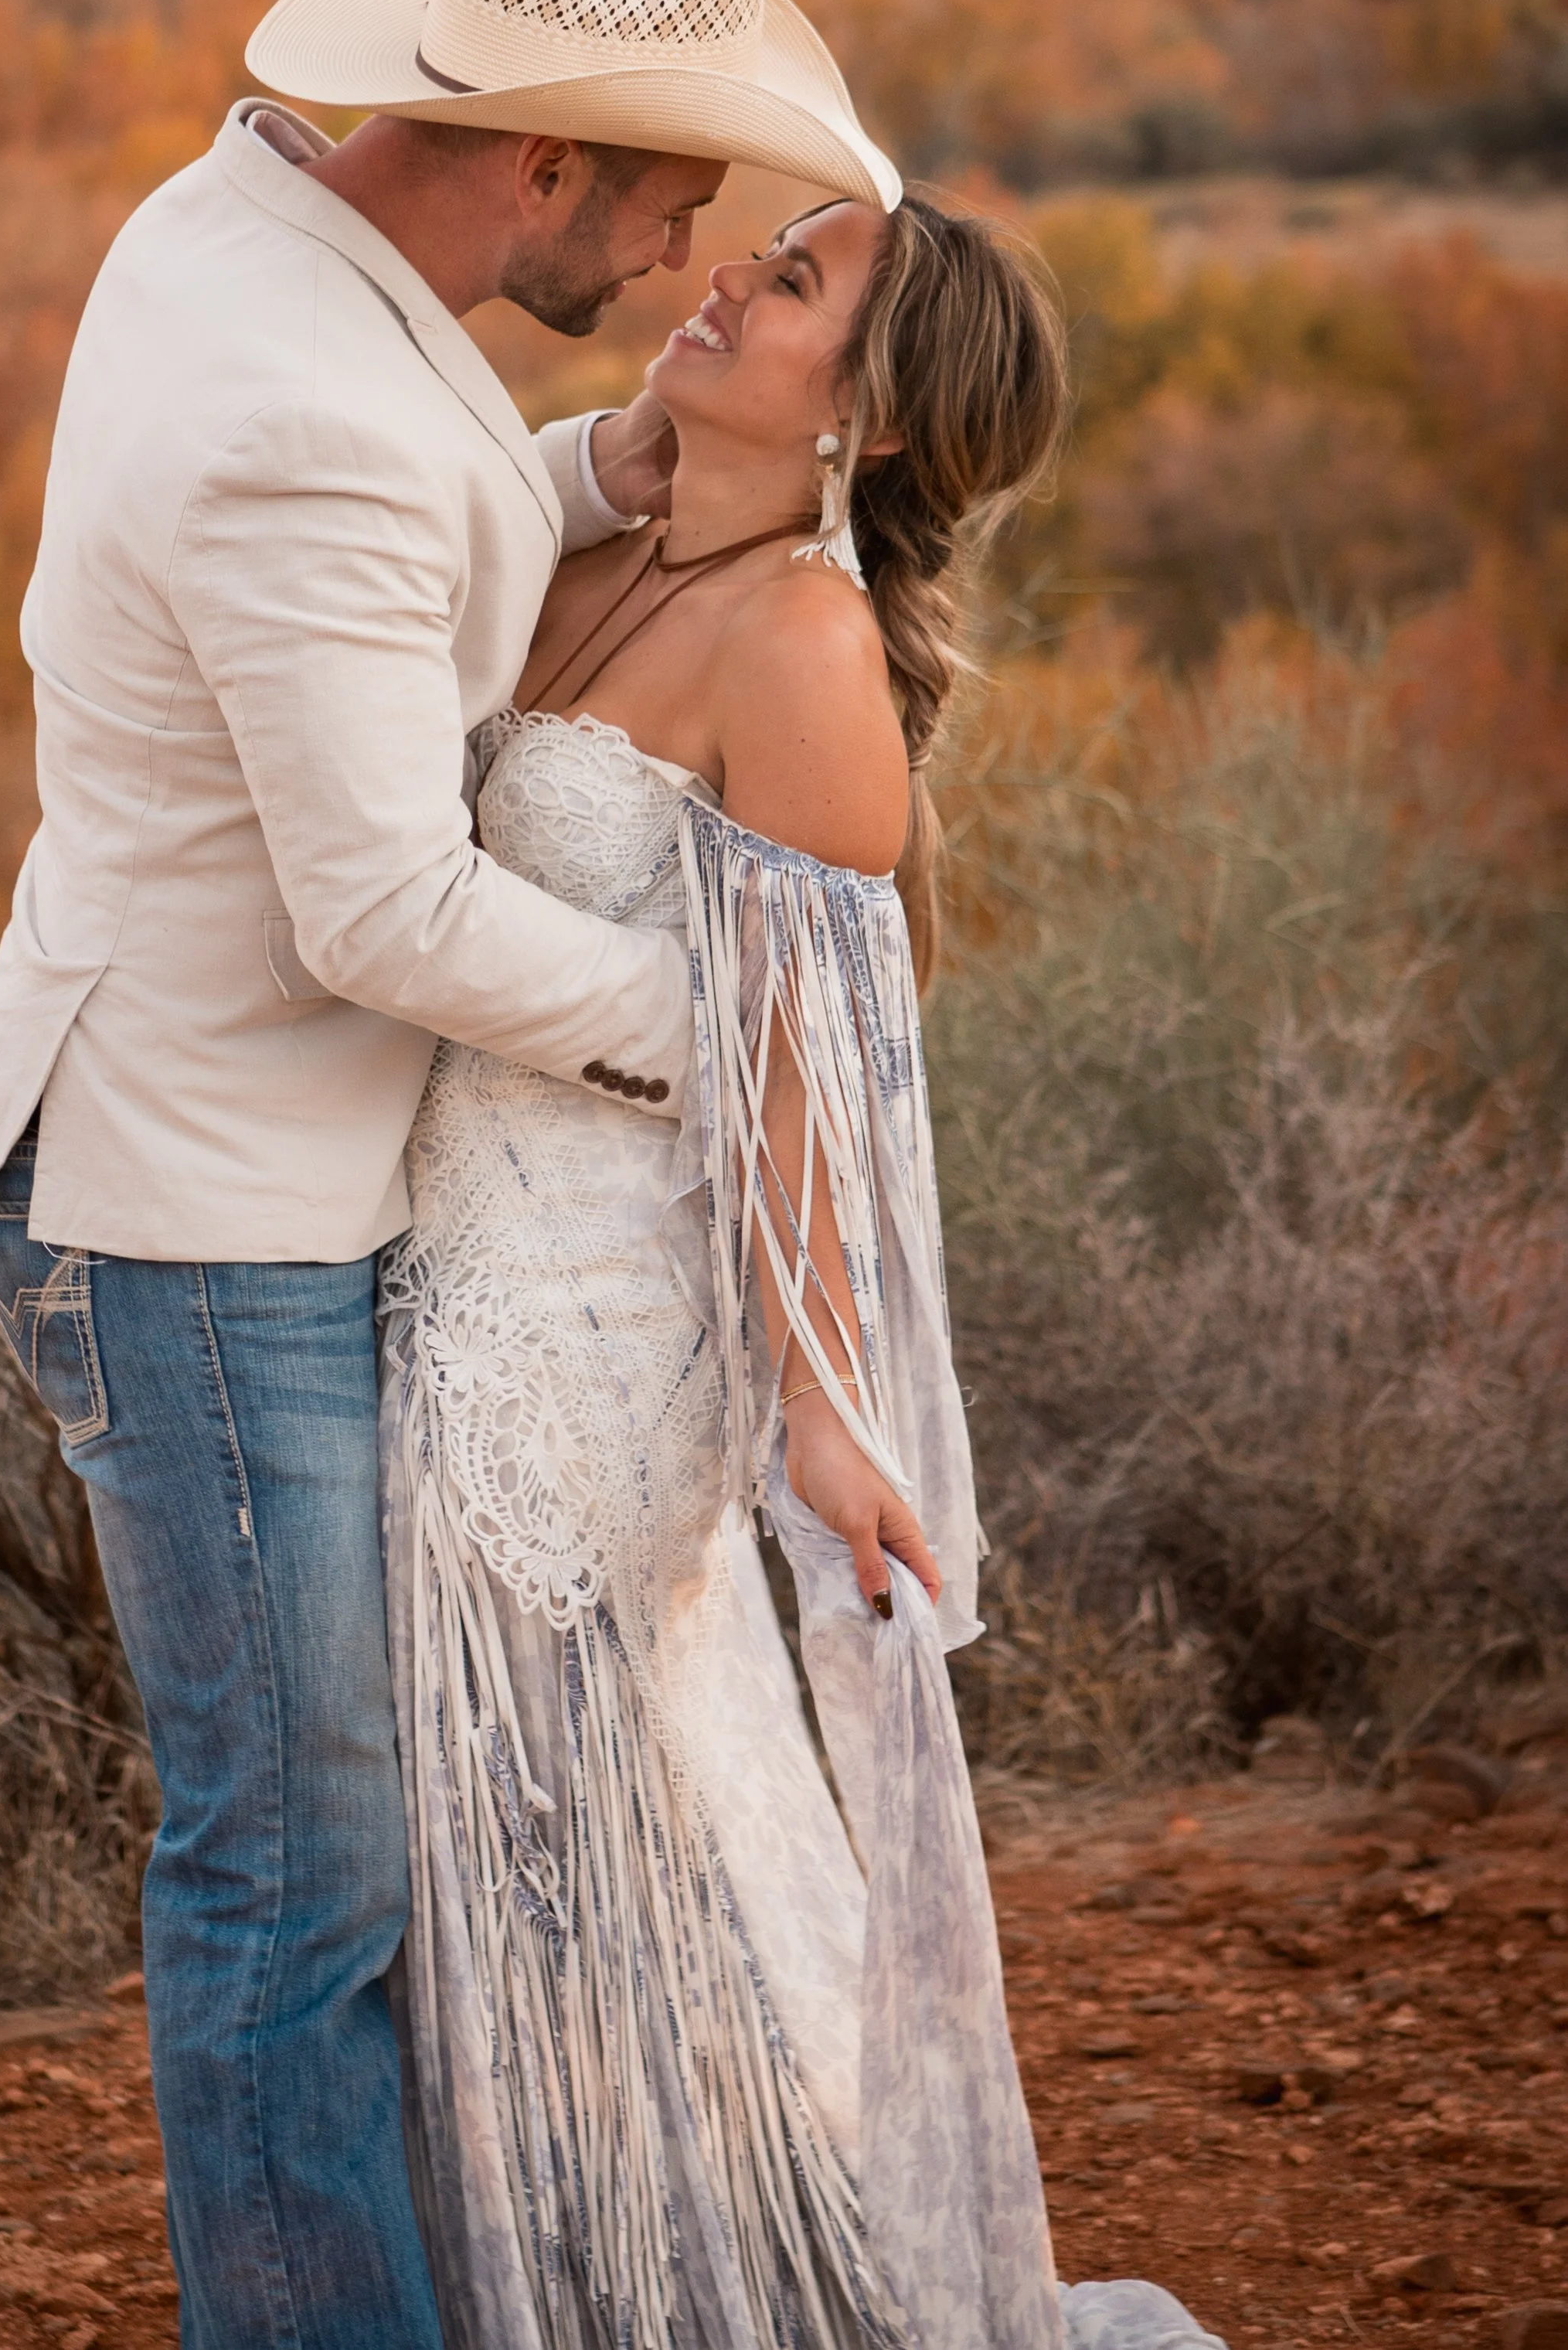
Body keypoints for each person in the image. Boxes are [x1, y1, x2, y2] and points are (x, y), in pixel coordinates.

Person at [0, 0, 906, 2350]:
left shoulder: (251, 212)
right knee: (297, 1883)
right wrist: (742, 1045)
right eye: (671, 177)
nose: (703, 228)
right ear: (546, 164)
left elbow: (443, 492)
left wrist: (628, 464)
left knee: (342, 1861)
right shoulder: (309, 413)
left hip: (223, 1139)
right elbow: (385, 919)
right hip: (202, 1207)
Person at [382, 194, 1228, 2350]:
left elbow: (803, 1086)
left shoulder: (803, 650)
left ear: (865, 410)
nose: (719, 288)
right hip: (421, 1281)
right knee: (488, 1890)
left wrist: (831, 1410)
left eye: (786, 290)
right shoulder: (588, 548)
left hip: (590, 1359)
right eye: (746, 255)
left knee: (585, 1872)